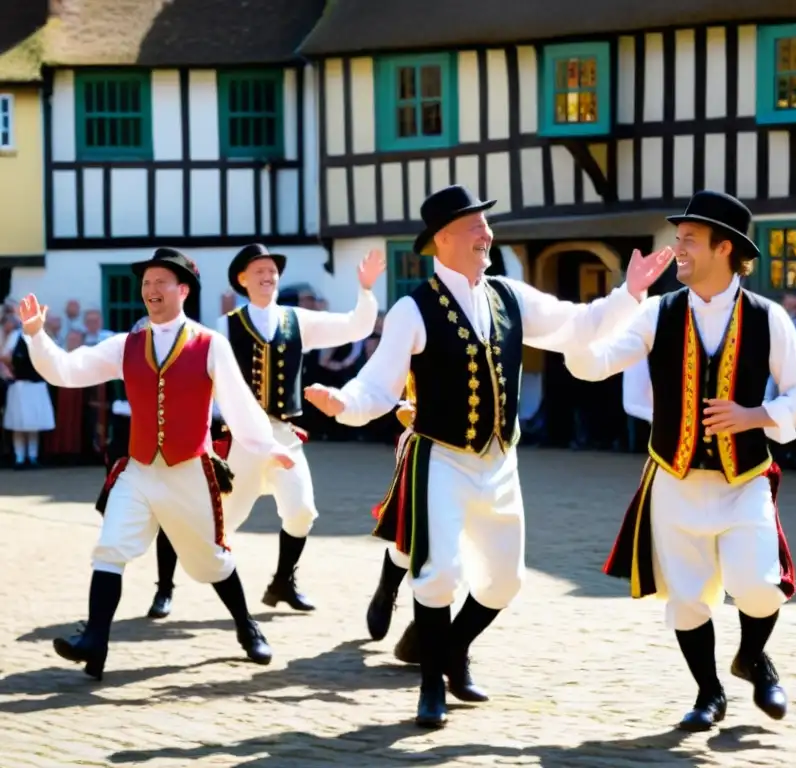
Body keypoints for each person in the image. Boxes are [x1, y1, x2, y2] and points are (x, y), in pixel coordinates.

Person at [303, 184, 671, 728]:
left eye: (486, 224)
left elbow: (575, 325)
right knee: (440, 573)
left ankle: (449, 648)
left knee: (504, 581)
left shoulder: (510, 296)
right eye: (475, 226)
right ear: (443, 239)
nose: (487, 234)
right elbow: (377, 386)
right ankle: (432, 685)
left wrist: (629, 294)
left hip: (501, 462)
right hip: (442, 460)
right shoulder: (413, 308)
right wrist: (343, 404)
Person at [562, 190, 796, 732]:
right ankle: (709, 693)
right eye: (677, 238)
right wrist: (622, 298)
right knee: (686, 600)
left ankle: (754, 657)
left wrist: (755, 415)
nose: (676, 248)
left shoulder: (768, 317)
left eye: (688, 240)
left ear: (724, 248)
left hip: (742, 479)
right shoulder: (657, 312)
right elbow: (593, 366)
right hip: (674, 480)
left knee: (758, 585)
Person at [17, 248, 295, 681]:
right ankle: (95, 640)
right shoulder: (125, 345)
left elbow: (239, 405)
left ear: (182, 290)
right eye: (146, 284)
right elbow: (69, 370)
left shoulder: (209, 343)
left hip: (190, 471)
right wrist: (37, 335)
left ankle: (246, 627)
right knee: (110, 548)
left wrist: (266, 447)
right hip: (140, 469)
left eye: (160, 282)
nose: (151, 290)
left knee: (210, 562)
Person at [142, 243, 383, 620]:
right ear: (242, 279)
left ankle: (283, 581)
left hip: (285, 434)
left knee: (302, 511)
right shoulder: (224, 326)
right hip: (243, 439)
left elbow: (355, 326)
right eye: (259, 271)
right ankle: (164, 589)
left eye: (272, 270)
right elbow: (203, 380)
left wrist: (366, 290)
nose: (268, 276)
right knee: (203, 517)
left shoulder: (297, 320)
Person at [0, 320, 56, 469]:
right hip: (20, 385)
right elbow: (4, 355)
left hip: (37, 385)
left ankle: (32, 457)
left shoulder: (42, 337)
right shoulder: (15, 336)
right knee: (18, 423)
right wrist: (10, 370)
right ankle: (19, 458)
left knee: (34, 423)